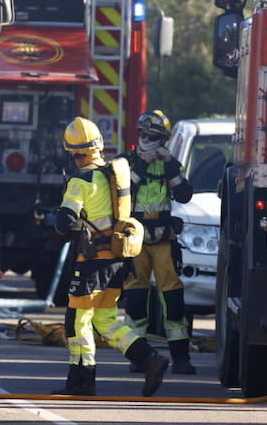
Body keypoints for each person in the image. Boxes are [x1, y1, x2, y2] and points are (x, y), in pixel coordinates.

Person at [49, 116, 169, 397]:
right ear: (99, 146)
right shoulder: (110, 174)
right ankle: (150, 359)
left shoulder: (81, 180)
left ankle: (81, 381)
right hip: (116, 258)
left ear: (73, 152)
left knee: (77, 320)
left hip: (92, 263)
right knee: (105, 319)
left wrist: (58, 230)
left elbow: (64, 220)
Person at [121, 110, 198, 374]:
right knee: (136, 295)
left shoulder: (168, 164)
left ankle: (181, 357)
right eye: (144, 135)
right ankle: (139, 356)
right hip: (135, 238)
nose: (147, 140)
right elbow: (122, 192)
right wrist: (142, 163)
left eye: (154, 137)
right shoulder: (127, 162)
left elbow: (185, 195)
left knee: (173, 296)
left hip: (163, 237)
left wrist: (171, 165)